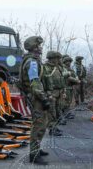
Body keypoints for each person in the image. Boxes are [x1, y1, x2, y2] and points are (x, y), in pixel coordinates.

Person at [19, 36, 50, 165]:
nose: (40, 47)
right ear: (34, 48)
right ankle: (34, 154)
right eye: (38, 45)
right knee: (38, 125)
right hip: (36, 97)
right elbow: (35, 82)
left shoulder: (32, 60)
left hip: (35, 96)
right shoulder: (32, 62)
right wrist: (44, 99)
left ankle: (36, 148)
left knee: (42, 123)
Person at [42, 51, 64, 136]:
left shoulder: (57, 68)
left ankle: (55, 127)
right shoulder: (46, 68)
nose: (58, 60)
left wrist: (63, 91)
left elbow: (61, 80)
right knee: (51, 112)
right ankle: (52, 128)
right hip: (51, 93)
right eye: (56, 58)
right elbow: (44, 83)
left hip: (58, 92)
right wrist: (48, 94)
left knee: (57, 110)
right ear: (52, 59)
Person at [62, 56, 80, 120]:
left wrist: (77, 79)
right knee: (66, 101)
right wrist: (76, 80)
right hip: (65, 87)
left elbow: (75, 75)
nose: (69, 63)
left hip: (70, 87)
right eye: (67, 62)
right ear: (65, 62)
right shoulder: (63, 68)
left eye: (70, 62)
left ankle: (67, 113)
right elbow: (68, 77)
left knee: (69, 101)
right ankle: (65, 114)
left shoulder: (70, 69)